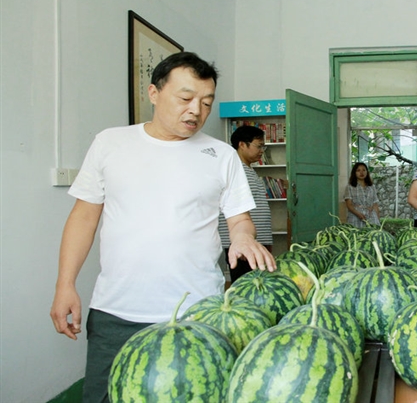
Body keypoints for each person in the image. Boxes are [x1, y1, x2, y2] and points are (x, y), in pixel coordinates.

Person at [49, 52, 276, 403]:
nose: (196, 111)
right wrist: (65, 284)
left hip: (199, 312)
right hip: (116, 312)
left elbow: (239, 219)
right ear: (154, 93)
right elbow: (84, 216)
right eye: (185, 98)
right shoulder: (110, 143)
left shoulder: (222, 155)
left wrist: (243, 237)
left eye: (206, 102)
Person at [218, 125, 273, 283]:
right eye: (258, 145)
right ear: (242, 144)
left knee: (257, 283)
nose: (262, 150)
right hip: (242, 243)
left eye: (263, 146)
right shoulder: (235, 171)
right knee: (246, 284)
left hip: (253, 241)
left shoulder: (247, 169)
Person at [344, 162, 380, 228]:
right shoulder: (350, 187)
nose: (361, 172)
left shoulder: (372, 187)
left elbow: (375, 204)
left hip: (371, 216)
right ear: (354, 173)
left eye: (364, 170)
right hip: (355, 217)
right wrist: (358, 214)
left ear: (367, 172)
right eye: (358, 170)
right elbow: (349, 205)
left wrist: (378, 220)